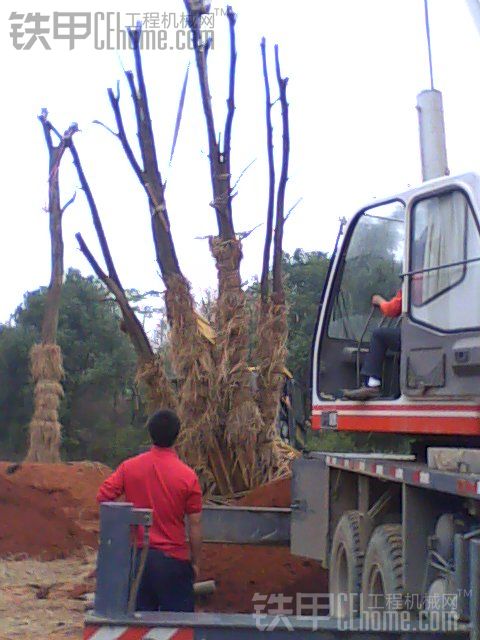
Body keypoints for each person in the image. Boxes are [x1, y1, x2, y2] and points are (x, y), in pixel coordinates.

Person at [96, 409, 202, 612]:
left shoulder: (129, 467)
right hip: (174, 562)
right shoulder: (188, 477)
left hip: (138, 561)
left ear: (150, 434)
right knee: (179, 627)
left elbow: (103, 497)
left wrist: (127, 523)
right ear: (177, 436)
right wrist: (196, 563)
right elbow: (195, 524)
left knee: (139, 624)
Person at [343, 290, 402, 401]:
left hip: (419, 336)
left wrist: (379, 301)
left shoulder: (416, 281)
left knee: (379, 335)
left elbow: (393, 308)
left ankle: (373, 385)